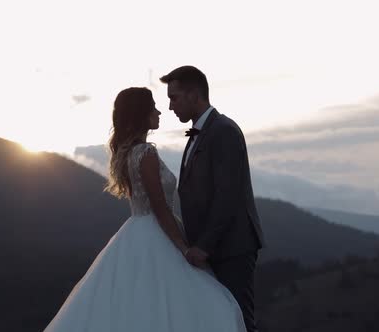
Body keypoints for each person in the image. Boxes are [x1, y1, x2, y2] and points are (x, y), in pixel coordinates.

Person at [43, 87, 245, 331]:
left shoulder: (129, 153)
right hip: (157, 233)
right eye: (153, 108)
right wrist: (183, 248)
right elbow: (159, 207)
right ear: (141, 114)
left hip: (138, 232)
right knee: (206, 303)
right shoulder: (146, 153)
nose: (159, 112)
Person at [160, 66, 265, 332]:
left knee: (238, 321)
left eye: (174, 97)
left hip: (231, 247)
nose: (170, 106)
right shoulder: (202, 131)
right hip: (213, 248)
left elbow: (227, 195)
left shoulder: (224, 131)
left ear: (194, 94)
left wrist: (204, 246)